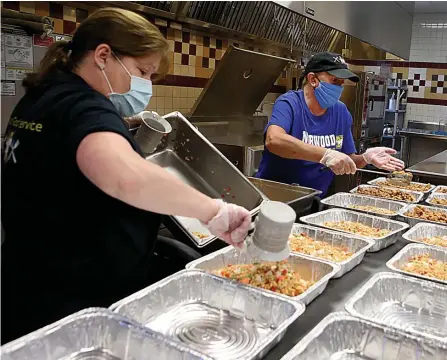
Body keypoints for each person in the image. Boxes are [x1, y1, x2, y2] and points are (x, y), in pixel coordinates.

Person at [1, 8, 251, 343]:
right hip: (71, 306)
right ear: (103, 55)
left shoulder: (42, 97)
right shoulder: (85, 107)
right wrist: (213, 210)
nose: (145, 84)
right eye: (142, 72)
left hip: (30, 282)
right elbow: (126, 177)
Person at [255, 52, 404, 197]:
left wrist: (365, 158)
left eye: (341, 83)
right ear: (313, 79)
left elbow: (347, 160)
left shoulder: (341, 111)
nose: (339, 88)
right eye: (334, 81)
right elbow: (273, 140)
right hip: (274, 200)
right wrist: (325, 154)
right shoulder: (290, 103)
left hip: (312, 201)